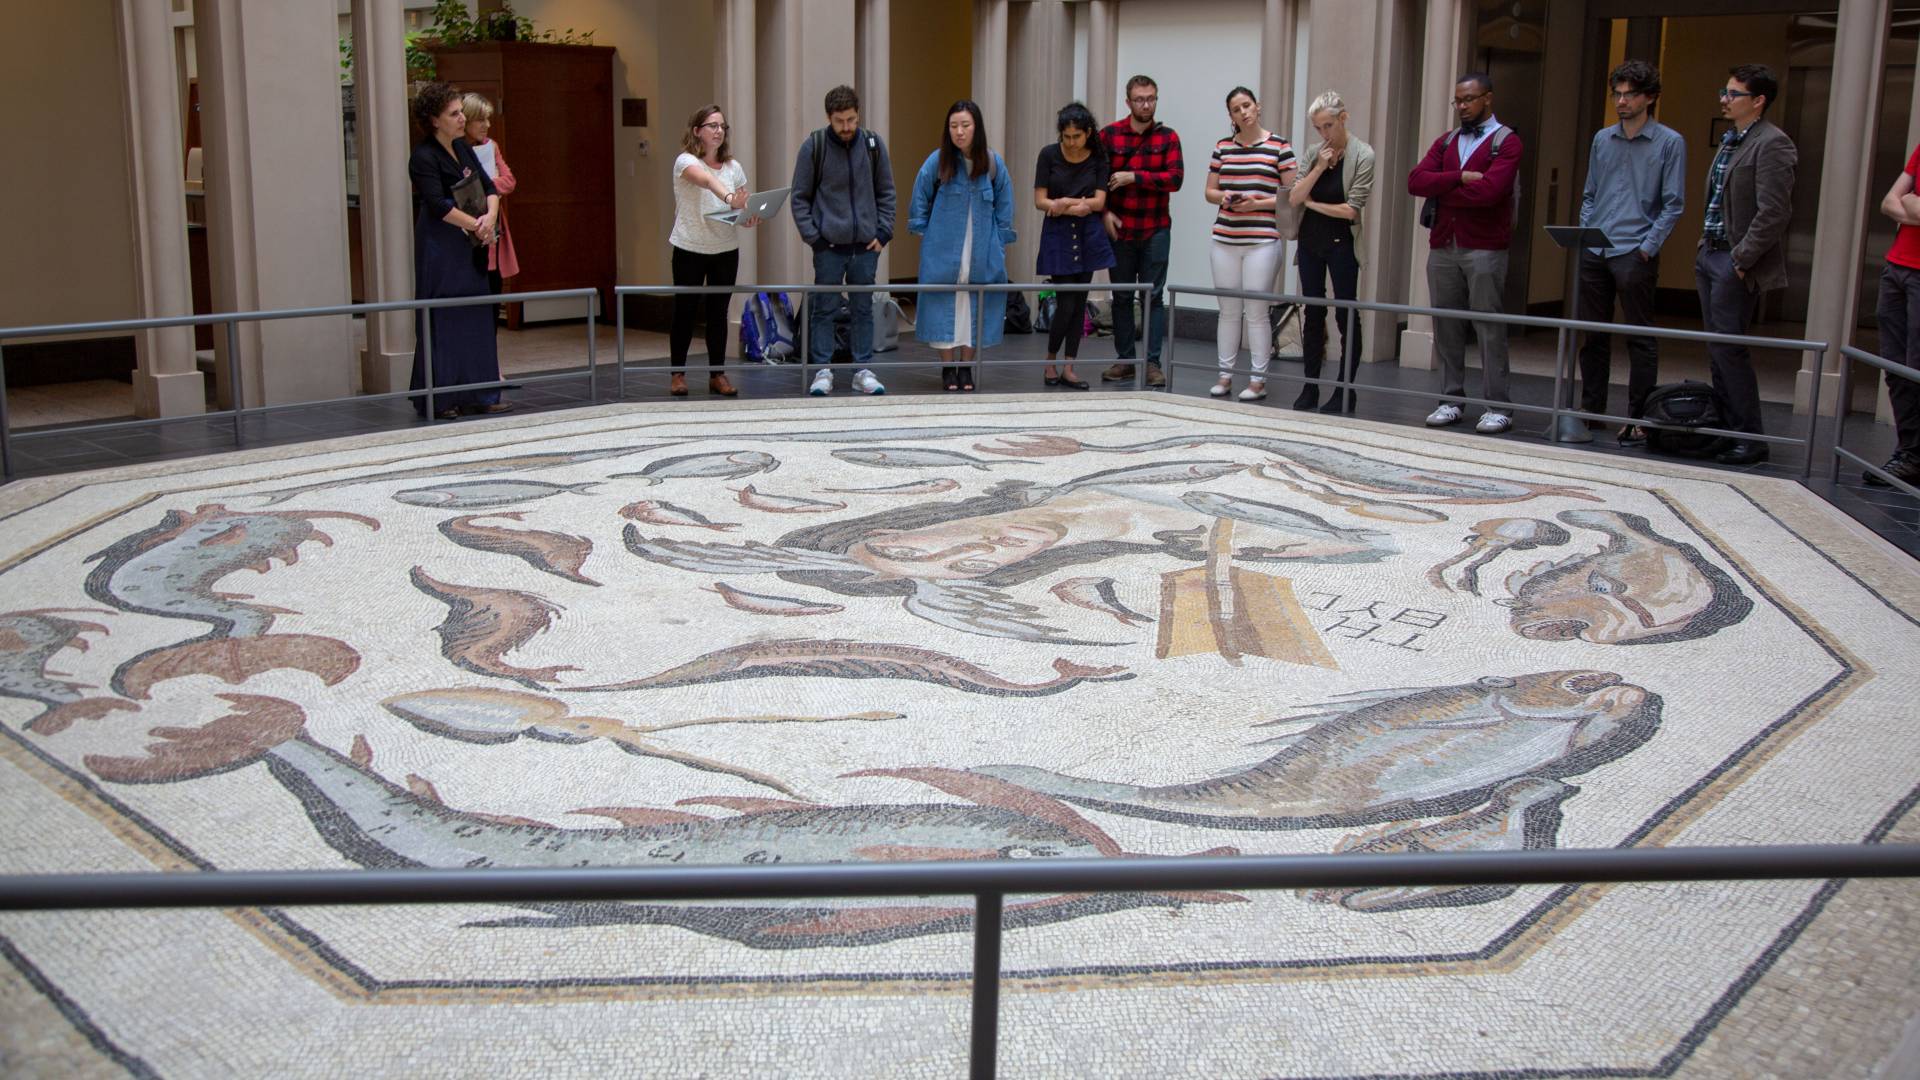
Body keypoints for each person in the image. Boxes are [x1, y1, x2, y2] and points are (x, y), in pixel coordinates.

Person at [1407, 72, 1525, 434]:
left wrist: (1444, 186)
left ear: (1487, 98)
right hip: (1443, 244)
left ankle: (1498, 405)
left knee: (1488, 324)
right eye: (1457, 100)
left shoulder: (1507, 142)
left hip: (1485, 247)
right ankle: (1450, 399)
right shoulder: (1447, 141)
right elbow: (1416, 181)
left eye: (1469, 99)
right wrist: (1459, 177)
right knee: (1446, 323)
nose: (1462, 106)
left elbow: (1490, 193)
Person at [1576, 61, 1685, 446]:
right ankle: (1591, 412)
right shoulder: (1602, 139)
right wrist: (1587, 233)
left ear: (1649, 97)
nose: (1621, 101)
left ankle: (1638, 417)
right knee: (1592, 334)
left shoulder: (1669, 142)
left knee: (1639, 337)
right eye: (1617, 94)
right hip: (1596, 246)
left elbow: (1673, 204)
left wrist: (1647, 248)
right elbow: (1590, 193)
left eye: (1630, 94)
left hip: (1635, 250)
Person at [1695, 64, 1796, 465]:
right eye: (1725, 90)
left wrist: (1741, 259)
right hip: (1711, 253)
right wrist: (1705, 247)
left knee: (1730, 348)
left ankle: (1749, 437)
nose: (1724, 98)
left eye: (1733, 93)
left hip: (1734, 259)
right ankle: (1725, 429)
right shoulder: (1732, 140)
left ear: (1758, 101)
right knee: (1717, 348)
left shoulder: (1773, 144)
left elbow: (1774, 212)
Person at [407, 82, 508, 419]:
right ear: (434, 120)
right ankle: (442, 397)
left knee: (475, 315)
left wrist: (490, 218)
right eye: (454, 113)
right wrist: (476, 224)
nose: (462, 118)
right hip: (442, 246)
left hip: (470, 243)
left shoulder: (463, 149)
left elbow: (489, 185)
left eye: (461, 112)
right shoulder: (422, 157)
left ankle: (479, 392)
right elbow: (437, 205)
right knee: (445, 319)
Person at [792, 85, 896, 397]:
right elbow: (799, 198)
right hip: (829, 246)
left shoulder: (874, 145)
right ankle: (822, 370)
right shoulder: (815, 146)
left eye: (851, 120)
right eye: (840, 121)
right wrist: (815, 239)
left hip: (866, 245)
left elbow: (886, 192)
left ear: (858, 115)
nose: (847, 127)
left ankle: (862, 370)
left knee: (863, 308)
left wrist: (883, 233)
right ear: (829, 118)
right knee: (824, 308)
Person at [910, 100, 1017, 393]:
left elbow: (1005, 202)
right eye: (954, 126)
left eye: (965, 126)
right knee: (943, 301)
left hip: (981, 248)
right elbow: (920, 192)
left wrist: (1001, 239)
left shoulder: (993, 163)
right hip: (944, 248)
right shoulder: (938, 160)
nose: (959, 132)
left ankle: (966, 367)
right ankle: (947, 369)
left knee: (975, 305)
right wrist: (922, 229)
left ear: (976, 128)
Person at [1204, 87, 1296, 403]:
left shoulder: (1279, 146)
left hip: (1262, 239)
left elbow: (1291, 197)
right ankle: (1225, 375)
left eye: (1247, 105)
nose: (1243, 112)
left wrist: (1256, 203)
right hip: (1225, 237)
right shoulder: (1223, 147)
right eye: (1235, 109)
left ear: (1258, 106)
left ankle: (1258, 380)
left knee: (1256, 311)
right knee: (1228, 310)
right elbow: (1210, 192)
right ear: (1230, 116)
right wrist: (1226, 197)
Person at [1289, 89, 1376, 414]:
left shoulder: (1363, 155)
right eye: (1318, 128)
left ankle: (1345, 389)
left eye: (1329, 125)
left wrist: (1314, 204)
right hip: (1310, 242)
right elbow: (1294, 198)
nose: (1324, 134)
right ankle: (1310, 386)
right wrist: (1316, 169)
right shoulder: (1314, 153)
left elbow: (1352, 210)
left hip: (1342, 244)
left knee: (1345, 313)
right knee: (1312, 313)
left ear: (1343, 119)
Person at [1100, 75, 1184, 388]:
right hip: (1120, 228)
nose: (1146, 104)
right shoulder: (1109, 135)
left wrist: (1134, 177)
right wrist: (1104, 213)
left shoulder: (1168, 137)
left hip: (1155, 228)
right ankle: (1125, 361)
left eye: (1151, 99)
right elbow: (1097, 179)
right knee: (1121, 297)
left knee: (1153, 296)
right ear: (1128, 102)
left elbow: (1174, 178)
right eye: (1139, 99)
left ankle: (1151, 363)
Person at [669, 105, 754, 398]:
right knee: (685, 311)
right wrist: (729, 196)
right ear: (697, 131)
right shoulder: (685, 161)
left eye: (722, 127)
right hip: (690, 246)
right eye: (712, 126)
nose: (719, 131)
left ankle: (717, 374)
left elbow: (743, 202)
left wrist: (748, 214)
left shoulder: (733, 167)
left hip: (725, 248)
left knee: (718, 312)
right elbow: (705, 180)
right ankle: (677, 374)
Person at [1032, 102, 1114, 390]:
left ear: (1087, 133)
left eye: (1076, 137)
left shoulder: (1098, 157)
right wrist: (1065, 206)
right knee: (1065, 302)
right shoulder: (1049, 155)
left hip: (1088, 233)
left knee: (1080, 302)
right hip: (1059, 233)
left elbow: (1100, 201)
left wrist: (1075, 204)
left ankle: (1069, 365)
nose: (1071, 142)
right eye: (1066, 137)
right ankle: (1050, 360)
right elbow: (1040, 199)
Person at [1868, 140, 1920, 487]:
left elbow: (1904, 201)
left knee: (1916, 366)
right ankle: (1909, 452)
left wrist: (1910, 201)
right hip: (1896, 267)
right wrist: (1911, 204)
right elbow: (1890, 200)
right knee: (1895, 367)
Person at [460, 93, 521, 290]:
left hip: (492, 224)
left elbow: (509, 182)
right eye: (480, 120)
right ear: (465, 120)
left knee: (493, 281)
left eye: (487, 119)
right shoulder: (455, 149)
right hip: (463, 224)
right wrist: (489, 185)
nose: (486, 125)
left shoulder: (491, 146)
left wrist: (487, 184)